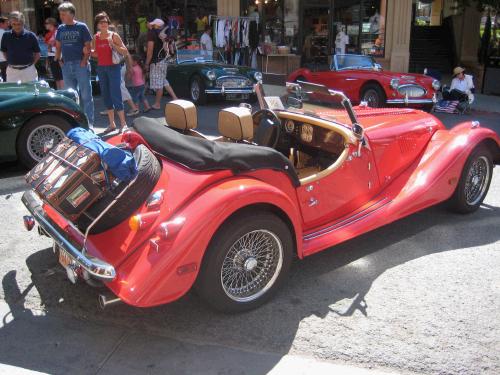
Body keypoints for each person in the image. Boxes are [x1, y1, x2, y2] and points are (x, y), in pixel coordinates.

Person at [55, 2, 94, 128]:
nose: (61, 17)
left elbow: (88, 46)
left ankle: (89, 123)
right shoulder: (61, 28)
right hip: (66, 65)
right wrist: (59, 60)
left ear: (71, 14)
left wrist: (84, 60)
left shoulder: (81, 27)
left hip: (80, 64)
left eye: (64, 14)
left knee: (86, 95)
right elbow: (58, 45)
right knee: (71, 96)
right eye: (60, 14)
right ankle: (75, 123)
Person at [91, 12, 129, 134]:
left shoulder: (114, 35)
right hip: (101, 68)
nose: (104, 24)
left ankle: (123, 124)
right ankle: (112, 124)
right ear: (97, 24)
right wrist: (89, 52)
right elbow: (96, 54)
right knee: (106, 95)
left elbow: (125, 52)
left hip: (114, 68)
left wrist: (113, 45)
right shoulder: (95, 37)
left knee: (116, 94)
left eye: (106, 22)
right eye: (101, 22)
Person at [145, 18, 177, 110]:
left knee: (159, 84)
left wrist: (147, 63)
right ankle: (175, 98)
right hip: (164, 60)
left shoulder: (152, 33)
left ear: (155, 25)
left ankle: (157, 104)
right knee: (163, 81)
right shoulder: (164, 34)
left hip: (156, 61)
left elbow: (150, 51)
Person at [0, 11, 40, 83]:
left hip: (29, 70)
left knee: (31, 92)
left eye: (19, 24)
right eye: (14, 24)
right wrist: (10, 62)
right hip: (12, 70)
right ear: (11, 24)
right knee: (12, 92)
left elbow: (37, 53)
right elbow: (4, 51)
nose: (16, 26)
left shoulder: (31, 36)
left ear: (23, 23)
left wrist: (31, 66)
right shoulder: (6, 35)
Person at [44, 17, 63, 89]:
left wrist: (59, 58)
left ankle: (63, 92)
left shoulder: (57, 32)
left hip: (58, 55)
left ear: (52, 24)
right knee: (56, 77)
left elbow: (59, 45)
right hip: (51, 56)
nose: (45, 25)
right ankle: (59, 92)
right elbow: (48, 47)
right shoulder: (48, 34)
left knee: (61, 76)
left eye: (46, 23)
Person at [0, 16, 8, 82]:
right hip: (5, 59)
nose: (7, 24)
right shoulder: (5, 34)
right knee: (7, 79)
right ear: (1, 24)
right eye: (6, 23)